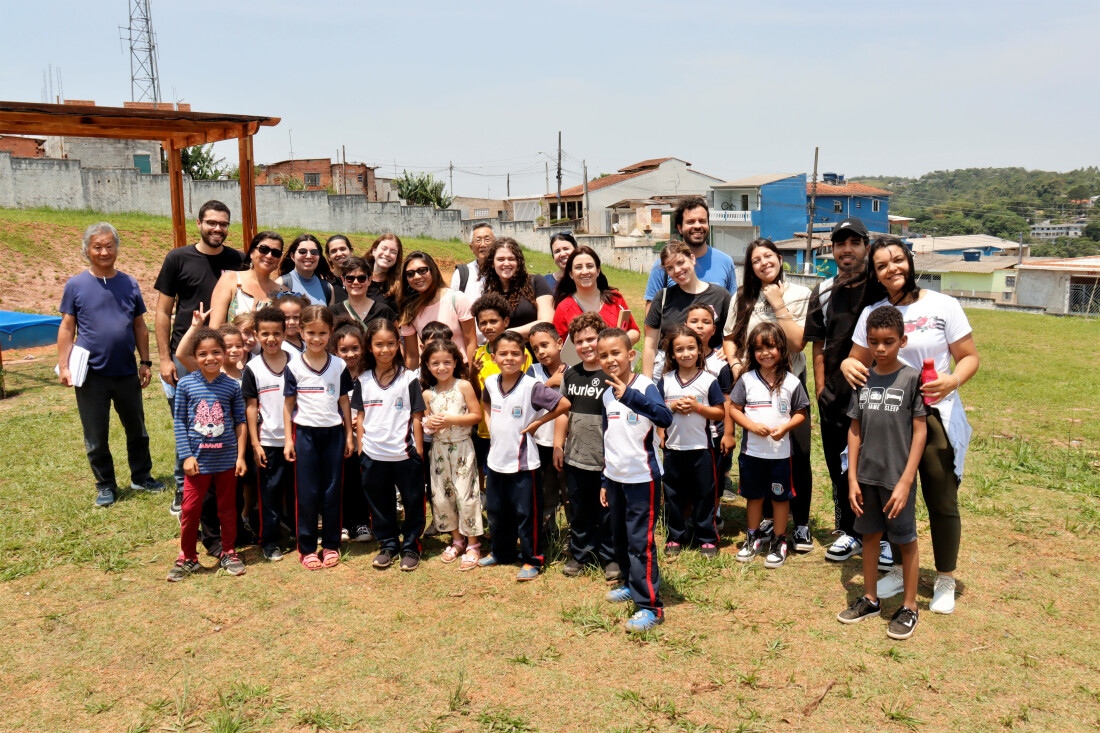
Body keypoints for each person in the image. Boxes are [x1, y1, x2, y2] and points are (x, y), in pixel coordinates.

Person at [842, 236, 980, 615]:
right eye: (883, 265)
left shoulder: (942, 305)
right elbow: (856, 358)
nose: (893, 269)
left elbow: (969, 357)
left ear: (910, 261)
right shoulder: (875, 311)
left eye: (898, 260)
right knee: (888, 497)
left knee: (941, 500)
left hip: (934, 418)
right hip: (886, 421)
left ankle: (945, 577)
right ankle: (903, 572)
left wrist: (953, 381)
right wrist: (845, 365)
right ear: (875, 273)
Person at [837, 305, 927, 640]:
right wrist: (851, 478)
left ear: (902, 341)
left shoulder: (911, 379)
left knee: (905, 540)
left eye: (888, 341)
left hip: (896, 479)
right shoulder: (862, 378)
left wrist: (905, 482)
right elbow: (855, 429)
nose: (880, 348)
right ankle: (871, 598)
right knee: (870, 536)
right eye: (873, 341)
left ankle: (909, 607)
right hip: (865, 477)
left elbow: (920, 432)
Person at [58, 222, 163, 507]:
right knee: (96, 435)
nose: (104, 251)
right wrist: (64, 366)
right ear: (87, 251)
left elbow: (140, 326)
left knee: (137, 429)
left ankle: (141, 477)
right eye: (97, 247)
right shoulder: (76, 285)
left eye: (109, 246)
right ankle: (105, 484)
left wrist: (145, 361)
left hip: (127, 371)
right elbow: (67, 328)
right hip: (91, 375)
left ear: (116, 248)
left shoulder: (128, 283)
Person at [723, 237, 816, 554]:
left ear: (779, 257)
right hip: (751, 384)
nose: (763, 262)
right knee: (757, 453)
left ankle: (800, 524)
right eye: (755, 260)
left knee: (797, 455)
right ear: (750, 268)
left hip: (789, 383)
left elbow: (798, 343)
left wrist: (777, 303)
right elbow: (729, 337)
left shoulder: (801, 294)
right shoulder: (743, 296)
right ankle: (764, 520)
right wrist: (736, 365)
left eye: (768, 256)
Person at [154, 200, 246, 517]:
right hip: (185, 354)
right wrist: (165, 359)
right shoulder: (178, 258)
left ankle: (221, 486)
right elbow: (163, 311)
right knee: (186, 424)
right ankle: (184, 487)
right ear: (199, 223)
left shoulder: (237, 260)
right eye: (212, 223)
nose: (217, 229)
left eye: (223, 224)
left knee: (219, 424)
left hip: (225, 356)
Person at [804, 218, 874, 564]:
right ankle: (849, 531)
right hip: (834, 395)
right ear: (832, 250)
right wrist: (820, 388)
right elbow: (818, 345)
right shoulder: (824, 290)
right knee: (838, 465)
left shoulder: (878, 287)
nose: (847, 250)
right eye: (840, 243)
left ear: (866, 247)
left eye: (854, 243)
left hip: (873, 395)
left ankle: (878, 532)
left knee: (872, 466)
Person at [476, 331, 571, 581]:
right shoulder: (490, 382)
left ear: (524, 358)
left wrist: (538, 423)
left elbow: (563, 405)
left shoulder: (532, 386)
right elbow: (485, 402)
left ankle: (532, 559)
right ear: (494, 357)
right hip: (496, 462)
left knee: (527, 514)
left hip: (524, 464)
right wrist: (490, 421)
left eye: (515, 354)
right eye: (503, 353)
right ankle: (502, 552)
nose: (509, 358)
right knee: (497, 511)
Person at [597, 328, 674, 633]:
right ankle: (631, 583)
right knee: (621, 538)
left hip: (643, 478)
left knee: (640, 542)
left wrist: (628, 396)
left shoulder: (645, 386)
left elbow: (664, 418)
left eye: (615, 353)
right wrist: (605, 479)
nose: (609, 359)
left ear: (630, 355)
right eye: (603, 355)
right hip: (616, 478)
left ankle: (650, 606)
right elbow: (609, 439)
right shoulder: (605, 394)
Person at [168, 327, 247, 581]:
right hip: (197, 464)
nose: (210, 358)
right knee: (191, 509)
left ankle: (229, 552)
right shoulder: (186, 384)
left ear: (224, 354)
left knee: (228, 509)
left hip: (226, 461)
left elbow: (240, 422)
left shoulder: (232, 386)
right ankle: (188, 557)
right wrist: (186, 456)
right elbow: (179, 422)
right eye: (203, 354)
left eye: (216, 352)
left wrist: (240, 456)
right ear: (195, 356)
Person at [730, 322, 810, 569]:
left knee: (779, 498)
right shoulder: (746, 380)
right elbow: (733, 409)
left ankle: (779, 541)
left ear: (782, 349)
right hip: (752, 454)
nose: (764, 353)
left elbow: (801, 413)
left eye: (770, 347)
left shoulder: (792, 382)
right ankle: (753, 537)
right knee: (753, 497)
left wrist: (785, 428)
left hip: (780, 455)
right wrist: (752, 427)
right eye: (758, 348)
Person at [283, 306, 354, 570]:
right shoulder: (294, 367)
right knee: (308, 492)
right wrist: (289, 441)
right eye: (310, 332)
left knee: (332, 490)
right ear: (300, 332)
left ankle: (331, 545)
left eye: (322, 333)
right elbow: (288, 405)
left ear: (331, 333)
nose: (316, 338)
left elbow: (344, 402)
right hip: (305, 435)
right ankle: (308, 547)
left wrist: (348, 435)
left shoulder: (339, 365)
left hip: (334, 434)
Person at [353, 319, 427, 571]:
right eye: (378, 344)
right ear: (369, 347)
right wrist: (361, 448)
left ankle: (410, 546)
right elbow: (360, 416)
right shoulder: (362, 380)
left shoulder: (409, 378)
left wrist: (419, 450)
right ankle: (387, 545)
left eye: (390, 344)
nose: (385, 350)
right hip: (373, 454)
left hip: (405, 454)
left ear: (398, 344)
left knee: (413, 502)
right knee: (380, 503)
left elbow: (417, 416)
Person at [554, 313, 617, 581]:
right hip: (576, 457)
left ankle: (610, 556)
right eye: (579, 341)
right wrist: (558, 445)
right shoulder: (571, 374)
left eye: (591, 338)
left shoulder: (613, 375)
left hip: (607, 459)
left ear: (601, 338)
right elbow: (562, 413)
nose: (586, 345)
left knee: (608, 511)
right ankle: (581, 553)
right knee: (580, 509)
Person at [655, 326, 727, 559]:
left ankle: (706, 537)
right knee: (674, 495)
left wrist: (698, 408)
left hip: (702, 448)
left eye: (691, 348)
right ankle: (675, 535)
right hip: (674, 450)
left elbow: (719, 413)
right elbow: (656, 411)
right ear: (672, 354)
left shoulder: (708, 381)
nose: (686, 353)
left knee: (704, 494)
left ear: (699, 351)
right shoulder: (665, 381)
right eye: (679, 349)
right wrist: (672, 408)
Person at [420, 339, 484, 570]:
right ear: (427, 365)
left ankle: (473, 544)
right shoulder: (427, 393)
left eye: (447, 362)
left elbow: (476, 415)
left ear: (455, 362)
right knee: (443, 496)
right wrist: (431, 424)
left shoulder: (463, 386)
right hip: (438, 451)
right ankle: (457, 539)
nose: (442, 367)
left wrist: (451, 420)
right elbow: (426, 425)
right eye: (435, 363)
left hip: (462, 448)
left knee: (465, 495)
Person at [241, 306, 292, 561]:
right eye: (265, 333)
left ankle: (296, 531)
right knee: (269, 493)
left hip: (296, 440)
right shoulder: (253, 368)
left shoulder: (297, 362)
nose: (271, 339)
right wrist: (255, 443)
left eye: (276, 333)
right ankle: (269, 541)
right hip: (268, 441)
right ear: (256, 335)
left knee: (296, 490)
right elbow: (251, 408)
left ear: (284, 332)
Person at [642, 241, 731, 378]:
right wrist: (646, 385)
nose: (677, 270)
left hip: (709, 375)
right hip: (666, 375)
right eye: (670, 268)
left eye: (680, 262)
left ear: (692, 259)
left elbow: (733, 335)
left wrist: (726, 351)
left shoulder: (721, 296)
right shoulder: (663, 297)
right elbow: (650, 345)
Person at [470, 294, 532, 478]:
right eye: (483, 323)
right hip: (485, 426)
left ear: (505, 321)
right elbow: (475, 394)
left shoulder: (520, 354)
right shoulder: (478, 355)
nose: (488, 327)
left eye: (493, 321)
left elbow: (526, 389)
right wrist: (472, 373)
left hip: (514, 425)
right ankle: (484, 497)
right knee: (483, 463)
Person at [642, 196, 736, 314]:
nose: (697, 226)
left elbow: (733, 312)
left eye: (702, 221)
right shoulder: (664, 265)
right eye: (690, 222)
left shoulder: (725, 262)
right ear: (680, 228)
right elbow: (651, 315)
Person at [398, 251, 477, 368]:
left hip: (461, 370)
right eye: (410, 274)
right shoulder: (409, 309)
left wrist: (472, 375)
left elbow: (471, 342)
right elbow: (412, 356)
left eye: (422, 270)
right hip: (432, 373)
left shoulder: (456, 299)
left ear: (433, 270)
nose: (417, 276)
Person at [552, 245, 640, 345]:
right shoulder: (563, 308)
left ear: (598, 271)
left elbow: (634, 332)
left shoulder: (615, 298)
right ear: (571, 274)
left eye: (589, 266)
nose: (585, 272)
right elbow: (558, 346)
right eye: (578, 267)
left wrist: (614, 343)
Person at [332, 318, 370, 543]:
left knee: (362, 481)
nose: (350, 354)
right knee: (342, 481)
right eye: (344, 350)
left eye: (355, 348)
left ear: (363, 348)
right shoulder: (333, 374)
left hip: (366, 439)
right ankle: (344, 524)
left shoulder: (368, 375)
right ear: (335, 350)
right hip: (341, 438)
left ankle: (363, 522)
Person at [526, 323, 568, 530]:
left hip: (568, 444)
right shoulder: (532, 371)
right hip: (540, 442)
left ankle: (574, 535)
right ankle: (546, 532)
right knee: (545, 490)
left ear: (559, 343)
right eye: (535, 348)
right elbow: (527, 398)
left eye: (545, 345)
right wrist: (550, 383)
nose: (541, 352)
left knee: (569, 492)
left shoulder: (574, 371)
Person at [208, 231, 288, 327]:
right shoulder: (230, 279)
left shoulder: (283, 292)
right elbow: (215, 327)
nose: (269, 256)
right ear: (251, 253)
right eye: (263, 249)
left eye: (276, 253)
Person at [480, 238, 554, 337]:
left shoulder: (536, 282)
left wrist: (507, 334)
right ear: (493, 263)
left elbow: (547, 321)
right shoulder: (489, 294)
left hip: (535, 350)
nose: (506, 263)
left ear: (518, 262)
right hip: (505, 350)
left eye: (511, 259)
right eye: (500, 259)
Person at [334, 255, 399, 328]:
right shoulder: (333, 312)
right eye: (350, 278)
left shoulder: (384, 311)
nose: (356, 282)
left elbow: (396, 338)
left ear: (369, 280)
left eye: (361, 278)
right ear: (343, 280)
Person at [451, 222, 495, 327]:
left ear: (496, 243)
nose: (483, 244)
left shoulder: (503, 272)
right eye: (478, 240)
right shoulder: (461, 274)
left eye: (487, 239)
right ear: (471, 247)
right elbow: (452, 309)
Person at [278, 234, 336, 307]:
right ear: (292, 256)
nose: (308, 256)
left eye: (314, 252)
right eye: (302, 252)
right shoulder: (281, 284)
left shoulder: (328, 288)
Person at [363, 234, 403, 312]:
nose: (387, 254)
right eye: (384, 249)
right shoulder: (358, 279)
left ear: (397, 258)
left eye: (393, 252)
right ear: (374, 251)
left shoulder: (401, 286)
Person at [324, 234, 353, 303]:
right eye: (334, 251)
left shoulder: (362, 280)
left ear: (351, 251)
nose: (339, 254)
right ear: (328, 256)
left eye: (342, 249)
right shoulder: (325, 284)